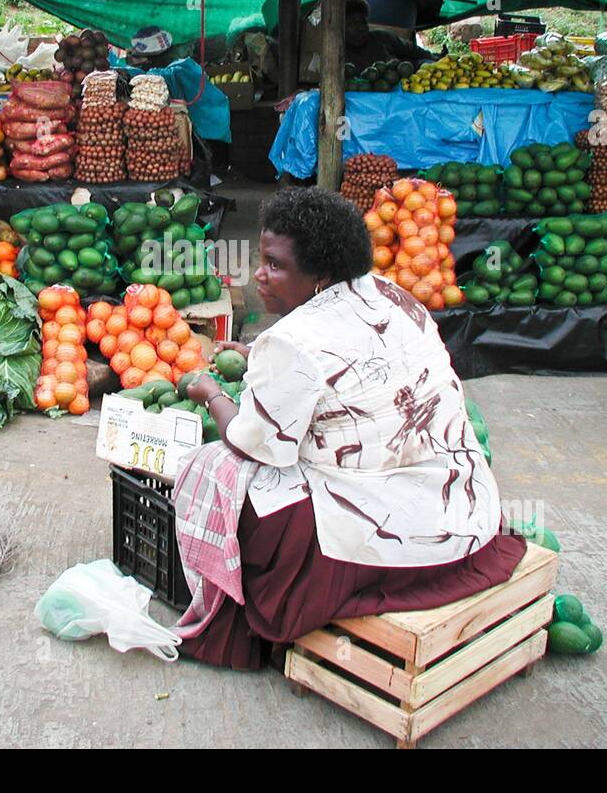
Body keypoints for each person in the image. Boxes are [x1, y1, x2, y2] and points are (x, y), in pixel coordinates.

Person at [173, 186, 527, 670]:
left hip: (383, 536)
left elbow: (249, 444)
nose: (258, 275)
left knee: (214, 466)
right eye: (261, 259)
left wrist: (211, 394)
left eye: (275, 265)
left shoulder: (291, 339)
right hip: (464, 514)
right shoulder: (393, 294)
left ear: (320, 276)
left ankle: (270, 601)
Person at [114, 25, 231, 144]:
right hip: (209, 132)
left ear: (151, 57)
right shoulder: (182, 68)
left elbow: (151, 77)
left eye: (135, 57)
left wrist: (124, 71)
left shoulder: (179, 71)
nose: (131, 61)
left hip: (208, 136)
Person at [338, 0, 436, 69]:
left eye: (363, 22)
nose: (360, 28)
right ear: (341, 27)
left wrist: (436, 60)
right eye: (352, 23)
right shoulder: (337, 52)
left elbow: (415, 51)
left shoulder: (383, 37)